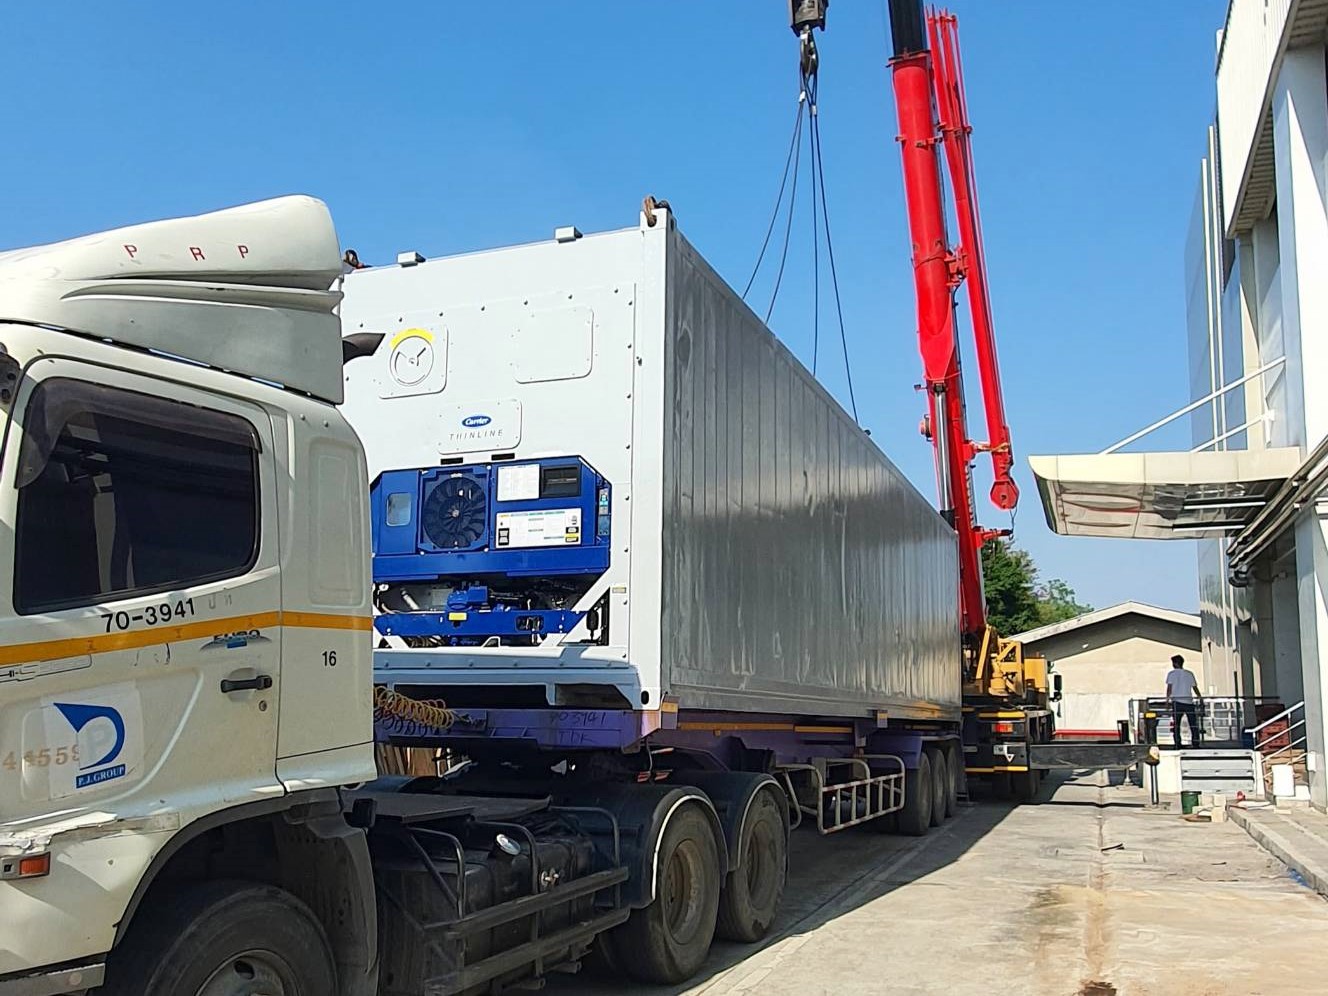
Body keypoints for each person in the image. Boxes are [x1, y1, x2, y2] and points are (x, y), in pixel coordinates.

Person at [1165, 654, 1202, 748]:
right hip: (1188, 701)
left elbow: (1169, 688)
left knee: (1176, 724)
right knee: (1193, 724)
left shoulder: (1171, 674)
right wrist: (1200, 697)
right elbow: (1195, 687)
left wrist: (1167, 701)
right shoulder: (1189, 674)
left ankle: (1177, 743)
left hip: (1176, 701)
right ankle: (1195, 742)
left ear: (1175, 663)